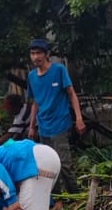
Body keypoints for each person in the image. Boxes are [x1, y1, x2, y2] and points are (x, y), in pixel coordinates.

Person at [27, 38, 85, 192]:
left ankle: (75, 195)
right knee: (48, 165)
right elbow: (35, 103)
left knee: (64, 164)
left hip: (60, 124)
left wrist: (79, 118)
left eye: (38, 53)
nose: (35, 57)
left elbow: (72, 94)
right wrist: (32, 127)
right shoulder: (31, 76)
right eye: (32, 53)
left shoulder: (59, 70)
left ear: (47, 54)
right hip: (43, 127)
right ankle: (57, 199)